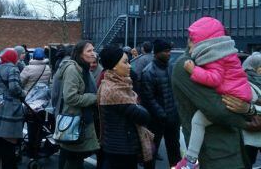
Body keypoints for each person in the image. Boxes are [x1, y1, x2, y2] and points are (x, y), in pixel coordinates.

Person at [175, 16, 253, 169]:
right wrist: (249, 121)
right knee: (198, 120)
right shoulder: (186, 65)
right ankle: (190, 160)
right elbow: (217, 109)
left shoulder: (214, 58)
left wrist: (249, 111)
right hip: (215, 155)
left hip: (231, 149)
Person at [98, 45, 151, 169]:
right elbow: (144, 116)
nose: (130, 66)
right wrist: (138, 105)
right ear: (114, 66)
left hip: (120, 145)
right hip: (121, 148)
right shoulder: (114, 90)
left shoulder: (118, 84)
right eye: (125, 62)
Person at [56, 40, 100, 169]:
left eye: (93, 50)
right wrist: (94, 98)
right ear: (80, 54)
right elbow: (70, 97)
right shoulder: (72, 69)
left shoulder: (84, 68)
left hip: (82, 119)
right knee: (74, 159)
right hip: (75, 122)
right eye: (89, 51)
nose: (93, 54)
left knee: (76, 158)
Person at [140, 39, 181, 169]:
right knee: (151, 152)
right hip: (156, 121)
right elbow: (148, 99)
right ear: (157, 53)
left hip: (172, 118)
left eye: (169, 51)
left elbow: (174, 91)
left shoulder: (170, 67)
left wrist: (175, 113)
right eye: (166, 51)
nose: (169, 53)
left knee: (174, 151)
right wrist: (163, 115)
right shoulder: (148, 72)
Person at [0, 49, 26, 169]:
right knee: (8, 142)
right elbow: (14, 88)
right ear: (13, 58)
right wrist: (23, 93)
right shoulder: (13, 68)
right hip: (9, 108)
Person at [222, 52, 261, 166]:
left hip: (248, 134)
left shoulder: (240, 83)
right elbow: (236, 105)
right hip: (248, 136)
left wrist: (249, 108)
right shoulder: (243, 84)